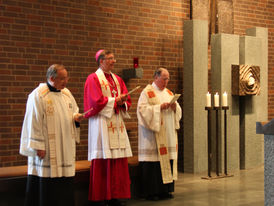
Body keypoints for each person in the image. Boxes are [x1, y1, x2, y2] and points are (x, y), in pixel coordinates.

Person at [19, 64, 83, 206]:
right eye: (62, 79)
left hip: (64, 148)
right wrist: (38, 146)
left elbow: (73, 111)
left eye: (66, 78)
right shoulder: (38, 95)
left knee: (64, 183)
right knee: (47, 183)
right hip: (47, 149)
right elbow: (33, 122)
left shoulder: (66, 93)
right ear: (52, 78)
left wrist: (75, 118)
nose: (66, 81)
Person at [84, 50, 132, 206]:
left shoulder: (118, 79)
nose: (114, 61)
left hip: (116, 122)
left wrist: (122, 101)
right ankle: (101, 196)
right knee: (103, 159)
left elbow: (127, 99)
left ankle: (115, 196)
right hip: (102, 124)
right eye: (111, 59)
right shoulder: (93, 79)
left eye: (114, 58)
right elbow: (94, 102)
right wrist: (115, 100)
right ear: (101, 61)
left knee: (117, 159)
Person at [137, 67, 182, 200]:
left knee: (167, 161)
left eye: (168, 79)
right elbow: (142, 111)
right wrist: (159, 108)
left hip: (167, 135)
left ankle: (165, 190)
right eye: (164, 79)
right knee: (154, 164)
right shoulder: (147, 92)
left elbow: (178, 112)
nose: (166, 81)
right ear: (156, 77)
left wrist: (175, 108)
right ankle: (152, 192)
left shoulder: (168, 93)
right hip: (153, 137)